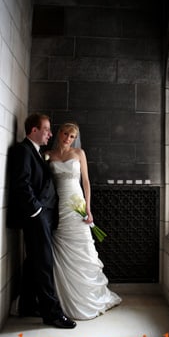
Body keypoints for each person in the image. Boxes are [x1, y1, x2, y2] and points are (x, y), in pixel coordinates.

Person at [45, 122, 121, 319]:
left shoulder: (79, 153)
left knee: (82, 247)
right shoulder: (48, 155)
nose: (68, 138)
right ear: (59, 133)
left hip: (76, 203)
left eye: (72, 136)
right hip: (58, 205)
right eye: (65, 134)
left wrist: (88, 207)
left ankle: (87, 296)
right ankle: (62, 298)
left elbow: (86, 181)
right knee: (61, 247)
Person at [7, 113, 76, 328]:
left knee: (33, 262)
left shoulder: (35, 152)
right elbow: (21, 184)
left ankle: (28, 305)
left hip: (45, 216)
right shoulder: (22, 150)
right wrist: (36, 211)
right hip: (36, 217)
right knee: (45, 263)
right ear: (34, 130)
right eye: (46, 129)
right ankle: (52, 314)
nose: (50, 133)